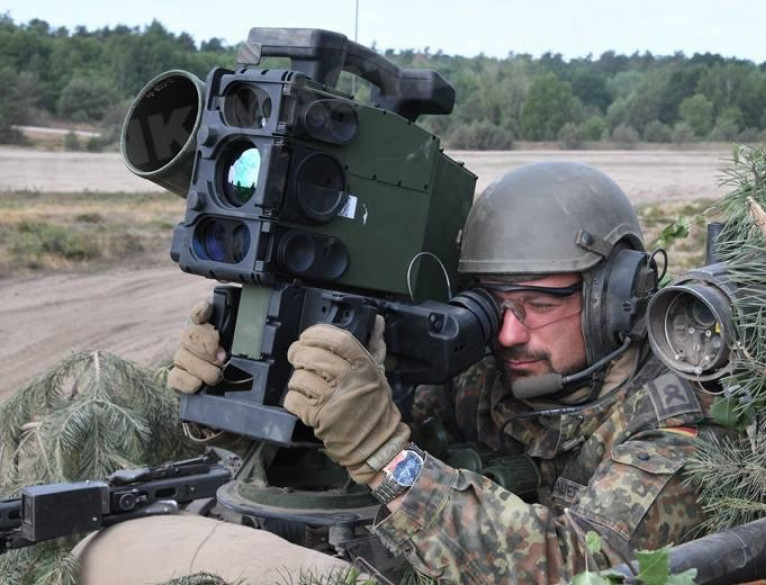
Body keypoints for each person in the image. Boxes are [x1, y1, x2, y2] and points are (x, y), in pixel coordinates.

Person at [79, 162, 725, 583]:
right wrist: (237, 393)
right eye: (495, 303)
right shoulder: (481, 372)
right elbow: (334, 452)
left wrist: (392, 459)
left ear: (614, 297)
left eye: (537, 303)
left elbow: (580, 570)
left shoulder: (671, 421)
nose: (506, 332)